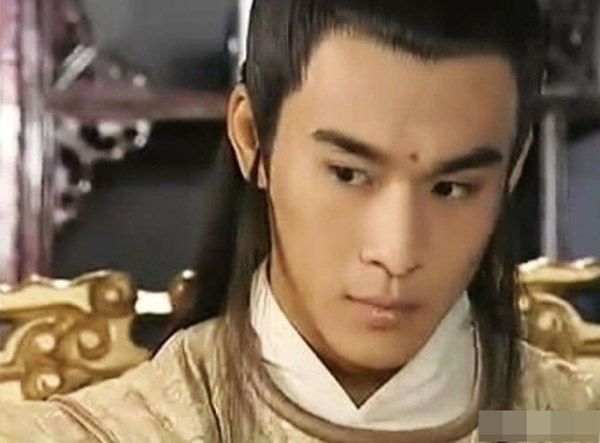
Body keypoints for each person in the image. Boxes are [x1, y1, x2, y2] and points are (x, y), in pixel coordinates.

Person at [1, 0, 597, 442]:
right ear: (252, 138)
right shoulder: (113, 434)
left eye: (452, 187)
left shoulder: (568, 425)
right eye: (348, 174)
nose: (396, 252)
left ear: (513, 169)